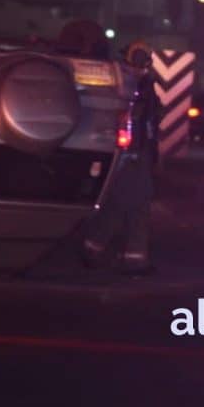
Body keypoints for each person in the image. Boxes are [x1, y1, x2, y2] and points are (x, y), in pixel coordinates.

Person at [82, 40, 160, 275]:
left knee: (120, 203)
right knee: (137, 205)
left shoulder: (129, 84)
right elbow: (137, 121)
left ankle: (94, 250)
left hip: (133, 154)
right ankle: (133, 260)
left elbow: (150, 123)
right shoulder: (133, 87)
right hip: (130, 155)